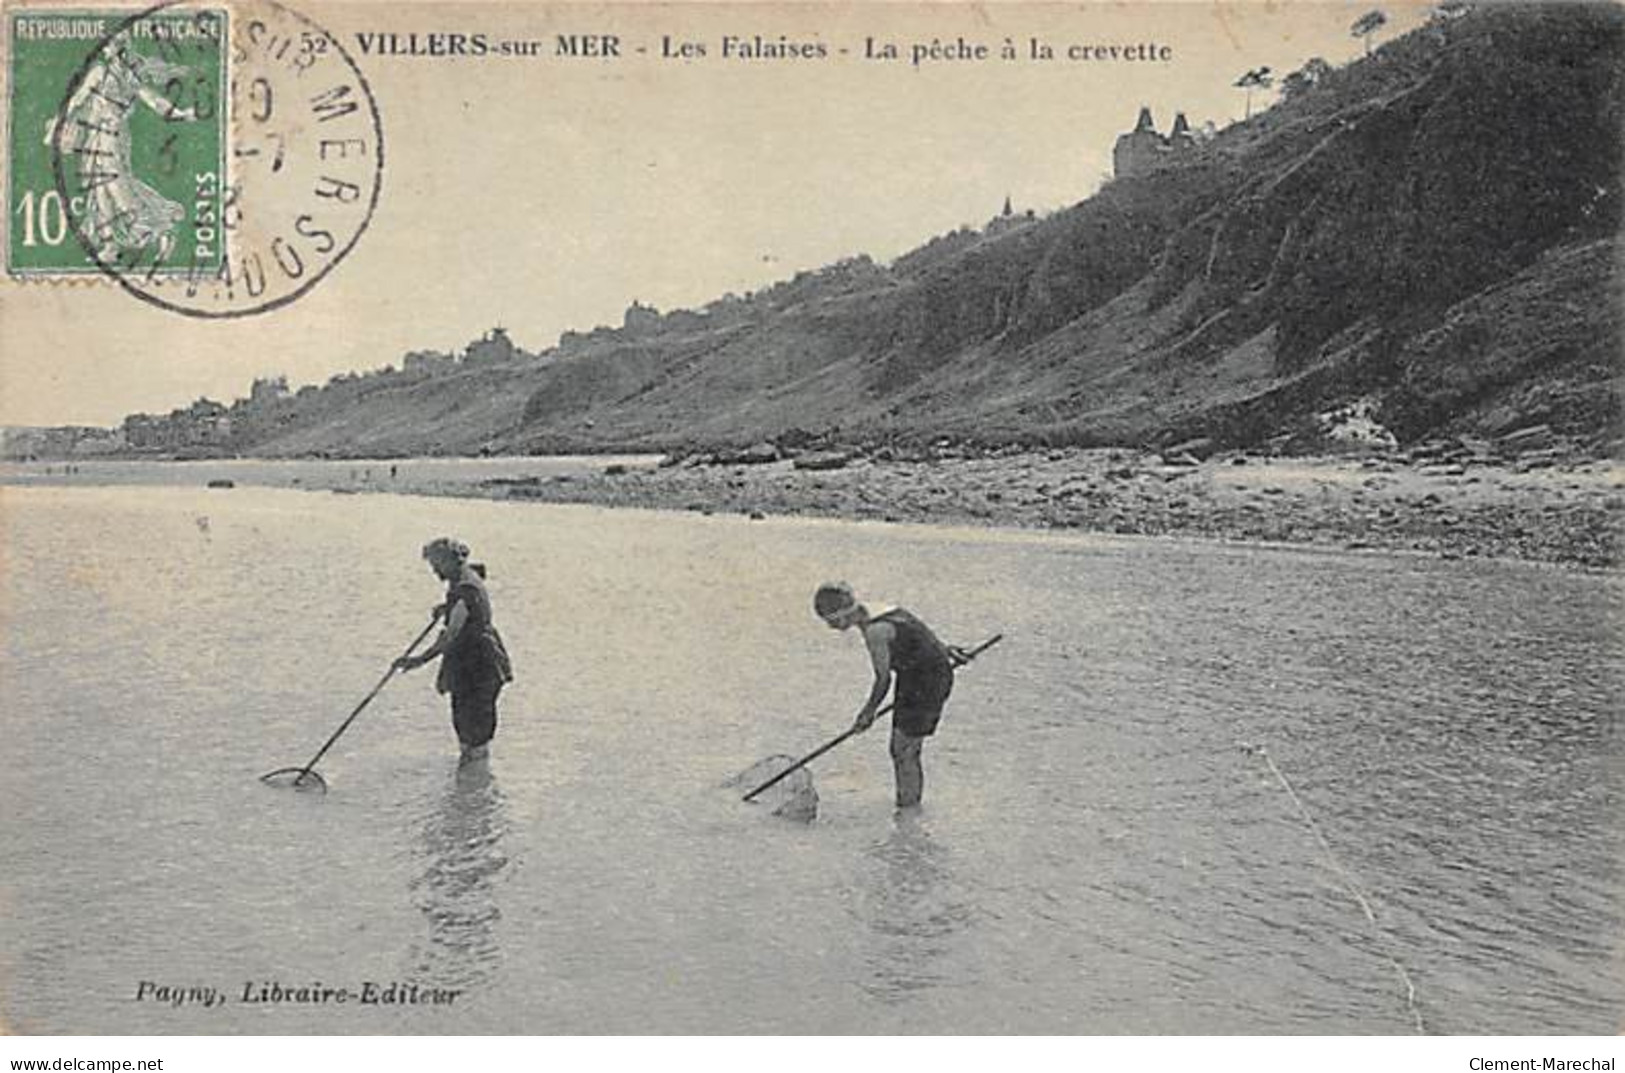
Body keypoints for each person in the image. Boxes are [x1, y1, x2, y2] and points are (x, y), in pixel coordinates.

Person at [814, 582, 970, 809]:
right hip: (916, 676)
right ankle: (908, 819)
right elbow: (921, 635)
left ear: (843, 616)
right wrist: (945, 650)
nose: (833, 629)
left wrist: (867, 712)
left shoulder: (875, 631)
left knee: (904, 749)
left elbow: (883, 678)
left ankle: (908, 807)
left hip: (926, 682)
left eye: (832, 622)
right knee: (904, 749)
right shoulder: (884, 608)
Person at [395, 538, 514, 763]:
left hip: (478, 666)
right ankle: (471, 790)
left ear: (449, 561)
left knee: (473, 734)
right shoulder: (464, 577)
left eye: (437, 564)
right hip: (472, 662)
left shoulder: (464, 589)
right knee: (468, 729)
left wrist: (418, 660)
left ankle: (472, 777)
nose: (434, 570)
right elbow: (469, 600)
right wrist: (447, 606)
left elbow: (450, 636)